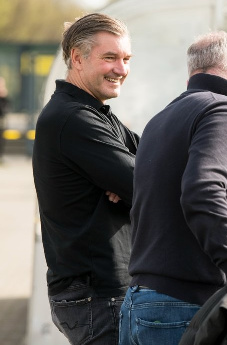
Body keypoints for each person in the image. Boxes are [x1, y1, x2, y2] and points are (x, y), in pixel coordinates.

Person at [119, 31, 227, 345]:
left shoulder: (160, 119)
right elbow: (202, 190)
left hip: (137, 302)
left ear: (192, 72)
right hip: (183, 305)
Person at [32, 13, 138, 345]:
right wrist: (133, 181)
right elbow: (144, 184)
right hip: (97, 295)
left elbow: (156, 161)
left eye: (125, 59)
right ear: (77, 58)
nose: (121, 69)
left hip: (100, 293)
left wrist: (131, 179)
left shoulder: (95, 112)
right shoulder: (71, 118)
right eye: (110, 58)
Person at [0, 76, 9, 163]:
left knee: (2, 139)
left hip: (1, 122)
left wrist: (4, 97)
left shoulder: (4, 98)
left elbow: (5, 110)